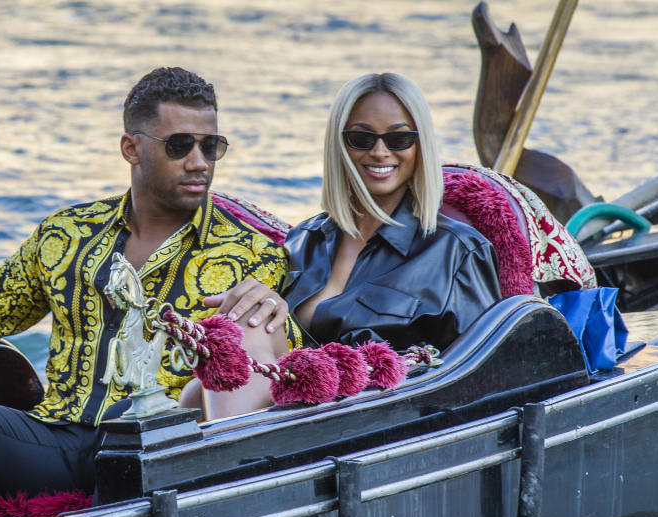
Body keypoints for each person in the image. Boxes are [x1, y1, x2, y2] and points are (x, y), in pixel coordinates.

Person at [0, 67, 298, 517]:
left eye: (211, 146)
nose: (200, 162)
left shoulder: (252, 252)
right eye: (180, 146)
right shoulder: (66, 235)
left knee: (138, 455)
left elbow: (274, 362)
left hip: (161, 442)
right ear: (131, 148)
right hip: (60, 436)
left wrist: (280, 313)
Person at [195, 72, 502, 419]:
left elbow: (480, 378)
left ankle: (230, 463)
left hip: (377, 425)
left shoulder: (457, 251)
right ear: (340, 145)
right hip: (290, 408)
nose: (380, 151)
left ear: (420, 146)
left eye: (399, 138)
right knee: (249, 317)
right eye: (361, 138)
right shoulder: (303, 240)